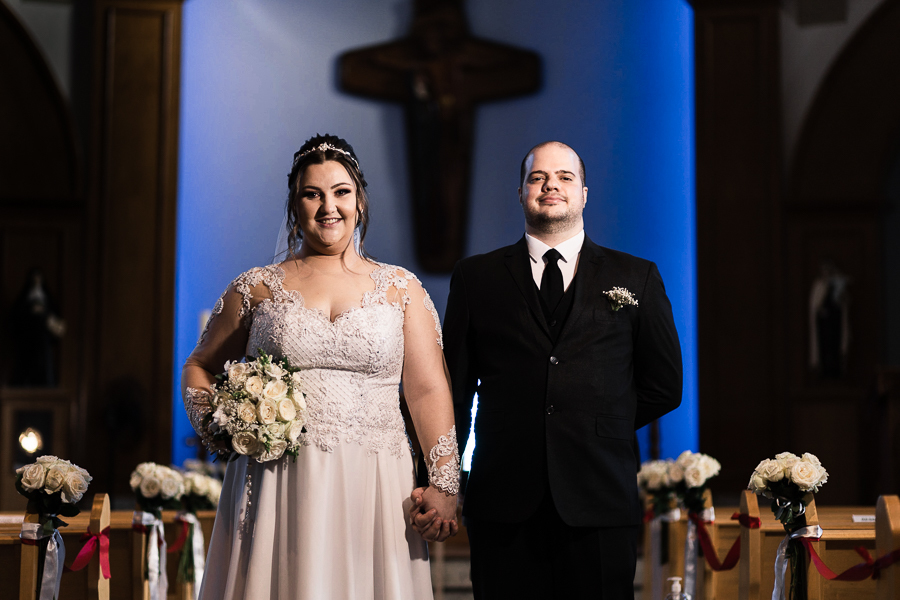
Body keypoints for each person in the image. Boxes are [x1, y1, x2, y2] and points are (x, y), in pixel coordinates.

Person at [182, 134, 459, 600]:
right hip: (276, 482)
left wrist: (445, 482)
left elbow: (428, 391)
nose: (328, 206)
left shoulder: (402, 290)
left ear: (360, 201)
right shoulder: (256, 289)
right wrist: (218, 423)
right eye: (312, 194)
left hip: (374, 482)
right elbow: (199, 365)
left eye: (341, 192)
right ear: (295, 207)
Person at [411, 141, 683, 598]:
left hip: (599, 498)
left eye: (564, 177)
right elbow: (453, 390)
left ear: (584, 194)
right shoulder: (476, 278)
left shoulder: (637, 276)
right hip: (502, 500)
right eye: (538, 177)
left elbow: (665, 386)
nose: (550, 185)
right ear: (521, 192)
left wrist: (599, 423)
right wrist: (441, 481)